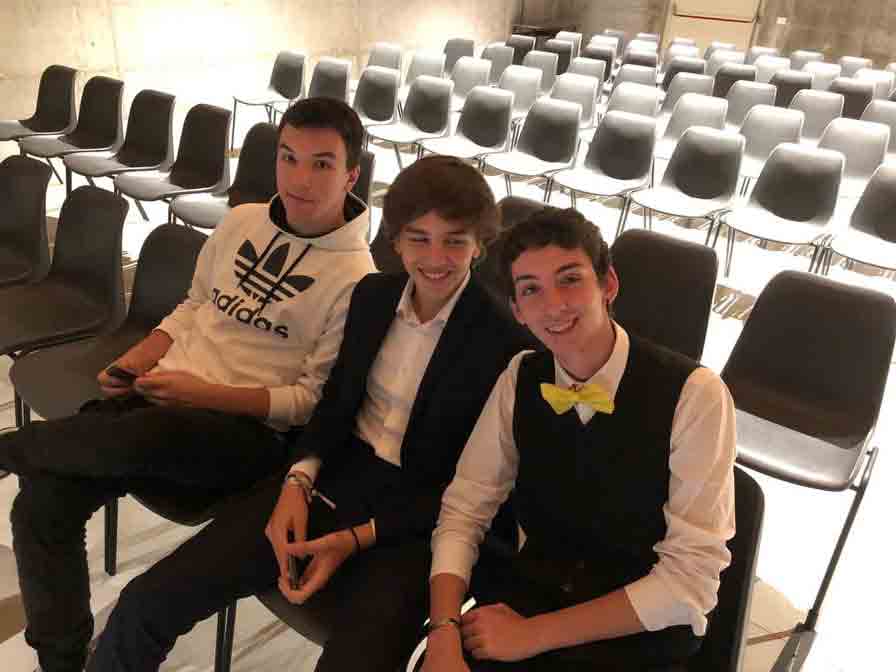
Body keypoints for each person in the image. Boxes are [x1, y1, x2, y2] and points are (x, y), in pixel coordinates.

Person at [86, 155, 534, 672]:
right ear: (395, 241)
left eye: (454, 241)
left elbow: (478, 492)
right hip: (336, 477)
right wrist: (297, 482)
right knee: (148, 601)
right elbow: (335, 404)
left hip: (420, 523)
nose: (435, 258)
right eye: (419, 238)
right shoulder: (372, 296)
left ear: (479, 245)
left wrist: (357, 537)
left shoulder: (506, 344)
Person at [0, 97, 376, 672]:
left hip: (247, 436)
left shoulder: (356, 280)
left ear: (351, 175)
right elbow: (194, 306)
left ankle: (8, 450)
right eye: (288, 157)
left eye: (322, 164)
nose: (300, 179)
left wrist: (197, 395)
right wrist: (138, 358)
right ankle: (63, 661)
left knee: (140, 434)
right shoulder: (243, 220)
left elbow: (306, 403)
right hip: (165, 401)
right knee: (39, 507)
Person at [424, 208, 736, 671]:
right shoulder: (520, 376)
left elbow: (690, 581)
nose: (553, 306)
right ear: (517, 310)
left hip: (635, 628)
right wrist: (443, 631)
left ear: (608, 284)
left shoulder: (696, 394)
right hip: (530, 599)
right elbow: (464, 509)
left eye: (569, 279)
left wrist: (534, 634)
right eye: (531, 289)